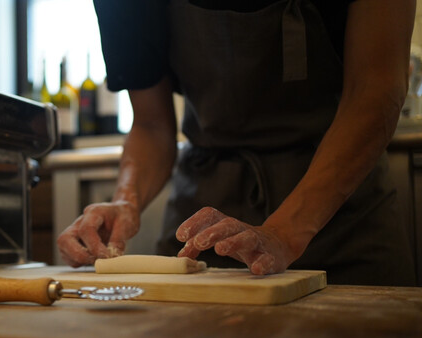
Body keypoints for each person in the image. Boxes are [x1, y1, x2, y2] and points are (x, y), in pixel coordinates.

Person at [57, 0, 417, 286]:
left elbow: (376, 91)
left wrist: (283, 233)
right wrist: (126, 200)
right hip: (202, 223)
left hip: (343, 218)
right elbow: (152, 124)